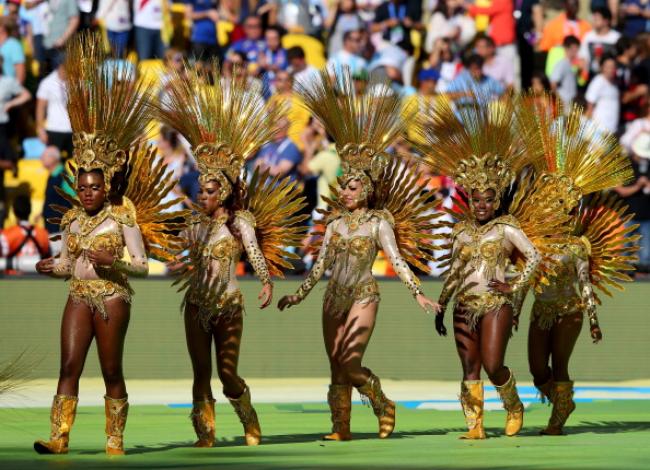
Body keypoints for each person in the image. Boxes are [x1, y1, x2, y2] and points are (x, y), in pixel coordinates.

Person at [32, 33, 184, 456]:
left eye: (94, 186)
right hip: (78, 295)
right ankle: (59, 437)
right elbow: (68, 264)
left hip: (113, 295)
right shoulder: (71, 219)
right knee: (68, 365)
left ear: (107, 185)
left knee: (111, 369)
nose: (87, 193)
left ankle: (114, 438)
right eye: (82, 186)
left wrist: (111, 258)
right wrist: (50, 266)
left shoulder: (124, 215)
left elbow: (143, 262)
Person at [278, 70, 441, 441]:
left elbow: (397, 260)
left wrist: (417, 292)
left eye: (353, 187)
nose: (346, 192)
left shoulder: (379, 222)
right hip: (332, 296)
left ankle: (382, 403)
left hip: (364, 295)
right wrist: (297, 295)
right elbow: (319, 266)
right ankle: (341, 428)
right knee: (336, 366)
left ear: (366, 189)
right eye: (344, 186)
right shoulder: (334, 224)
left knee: (351, 363)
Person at [157, 61, 306, 447]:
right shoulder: (193, 223)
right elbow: (172, 249)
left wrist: (267, 281)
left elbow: (254, 253)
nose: (201, 196)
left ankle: (248, 416)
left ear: (222, 192)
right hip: (195, 304)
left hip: (228, 303)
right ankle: (205, 434)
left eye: (208, 192)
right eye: (199, 191)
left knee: (227, 374)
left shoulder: (240, 222)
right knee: (200, 373)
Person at [414, 97, 572, 440]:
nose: (482, 205)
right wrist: (441, 304)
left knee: (492, 363)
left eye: (488, 199)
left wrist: (514, 289)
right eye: (476, 199)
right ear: (469, 200)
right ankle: (475, 427)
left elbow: (532, 257)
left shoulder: (507, 228)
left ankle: (513, 405)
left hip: (494, 303)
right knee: (469, 368)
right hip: (463, 304)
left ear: (497, 199)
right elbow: (455, 272)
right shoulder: (460, 231)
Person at [519, 105, 636, 435]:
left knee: (560, 365)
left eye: (567, 211)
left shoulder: (578, 246)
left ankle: (556, 421)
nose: (562, 215)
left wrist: (595, 321)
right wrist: (515, 309)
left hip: (570, 311)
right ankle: (562, 402)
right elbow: (528, 277)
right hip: (540, 310)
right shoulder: (537, 243)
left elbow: (585, 284)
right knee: (537, 369)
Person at [616, 129, 650, 273]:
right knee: (624, 252)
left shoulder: (648, 164)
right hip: (628, 214)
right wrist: (638, 186)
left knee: (646, 257)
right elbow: (620, 190)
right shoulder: (625, 166)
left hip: (647, 216)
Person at [0, 194, 51, 273]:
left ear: (14, 211)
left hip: (12, 280)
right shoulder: (44, 234)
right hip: (39, 279)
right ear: (30, 210)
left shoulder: (5, 235)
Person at [36, 59, 73, 159]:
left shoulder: (77, 80)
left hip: (73, 129)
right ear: (60, 67)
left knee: (75, 163)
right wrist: (40, 128)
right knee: (54, 161)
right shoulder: (47, 82)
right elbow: (40, 107)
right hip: (54, 129)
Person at [39, 145, 74, 236]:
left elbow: (74, 198)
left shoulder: (64, 177)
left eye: (44, 156)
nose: (41, 158)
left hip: (60, 229)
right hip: (51, 227)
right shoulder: (52, 176)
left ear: (53, 158)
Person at [254, 116, 302, 181]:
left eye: (279, 127)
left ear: (285, 129)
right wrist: (269, 168)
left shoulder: (291, 148)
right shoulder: (268, 144)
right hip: (262, 188)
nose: (274, 129)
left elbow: (278, 173)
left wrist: (264, 167)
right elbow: (256, 168)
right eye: (274, 125)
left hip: (280, 190)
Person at [578, 7, 620, 78]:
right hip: (591, 76)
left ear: (606, 21)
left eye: (596, 19)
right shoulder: (588, 36)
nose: (593, 21)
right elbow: (583, 57)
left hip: (610, 78)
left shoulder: (616, 38)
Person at [42, 0, 79, 75]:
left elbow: (74, 20)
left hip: (62, 46)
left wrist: (62, 39)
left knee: (62, 79)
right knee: (49, 78)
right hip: (47, 44)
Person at [585, 55, 620, 134]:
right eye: (608, 67)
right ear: (602, 68)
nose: (611, 70)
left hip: (611, 129)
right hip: (599, 129)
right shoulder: (598, 81)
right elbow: (590, 104)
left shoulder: (615, 83)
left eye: (613, 67)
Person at [550, 35, 580, 111]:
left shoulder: (570, 64)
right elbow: (553, 84)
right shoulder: (562, 63)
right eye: (574, 48)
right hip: (564, 104)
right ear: (567, 48)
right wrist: (560, 102)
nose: (576, 51)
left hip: (570, 103)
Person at [0, 17, 25, 83]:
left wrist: (16, 91)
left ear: (2, 28)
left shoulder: (14, 45)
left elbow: (20, 73)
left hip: (7, 90)